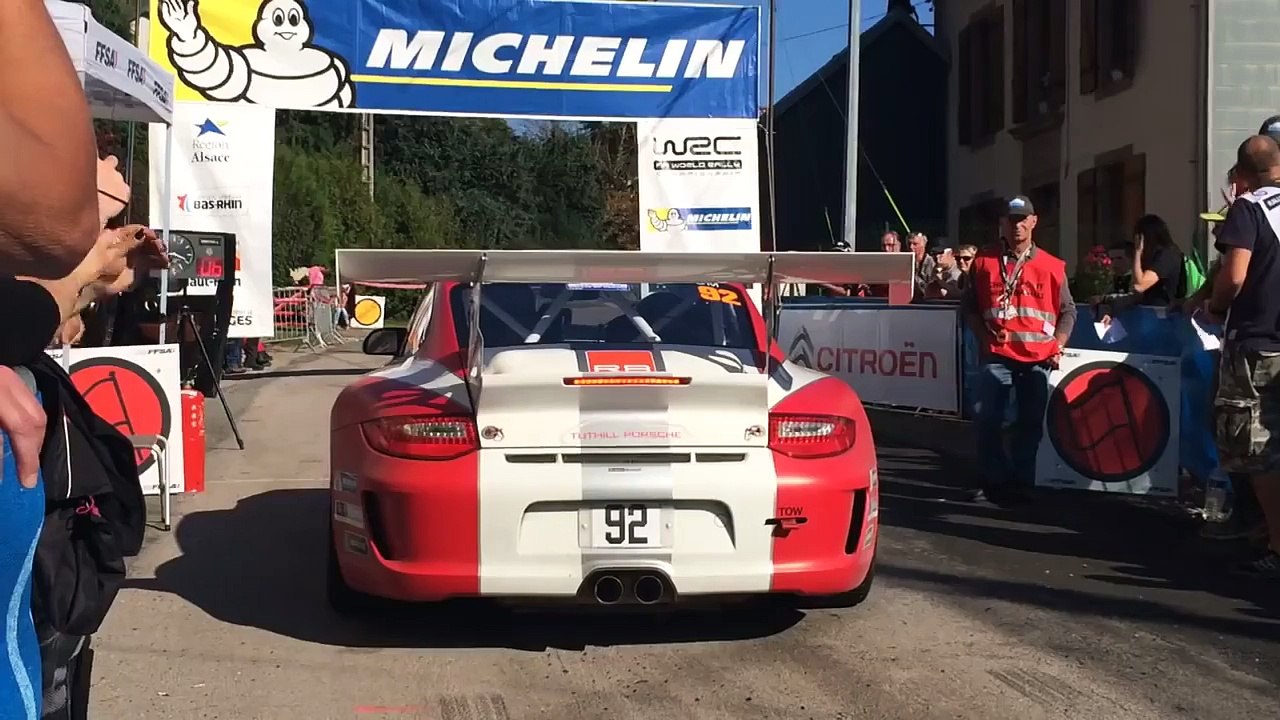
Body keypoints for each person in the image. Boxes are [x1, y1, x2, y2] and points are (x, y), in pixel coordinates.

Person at [961, 195, 1077, 506]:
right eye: (1011, 220)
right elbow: (969, 307)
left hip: (1037, 358)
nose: (1017, 225)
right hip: (997, 354)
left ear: (1034, 222)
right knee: (987, 419)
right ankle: (992, 480)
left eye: (1023, 219)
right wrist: (983, 337)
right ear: (1002, 223)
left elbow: (1068, 311)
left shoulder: (1052, 266)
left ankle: (1022, 481)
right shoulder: (984, 262)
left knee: (1029, 423)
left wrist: (1059, 344)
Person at [1201, 135, 1280, 578]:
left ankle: (1275, 541)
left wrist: (1214, 306)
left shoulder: (1250, 209)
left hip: (1258, 344)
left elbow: (1234, 275)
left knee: (1257, 449)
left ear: (1243, 174)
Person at [906, 232, 936, 299]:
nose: (911, 247)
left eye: (915, 244)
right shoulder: (905, 261)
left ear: (923, 245)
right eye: (909, 244)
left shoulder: (931, 263)